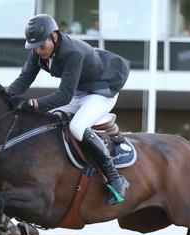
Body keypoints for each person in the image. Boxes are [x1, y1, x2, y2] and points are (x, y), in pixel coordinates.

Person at [7, 14, 130, 205]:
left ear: (54, 36)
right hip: (80, 91)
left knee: (77, 127)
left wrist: (33, 104)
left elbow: (64, 95)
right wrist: (1, 96)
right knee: (49, 119)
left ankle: (116, 178)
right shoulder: (38, 52)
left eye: (41, 45)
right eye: (34, 47)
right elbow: (24, 80)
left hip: (102, 91)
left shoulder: (72, 52)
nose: (38, 50)